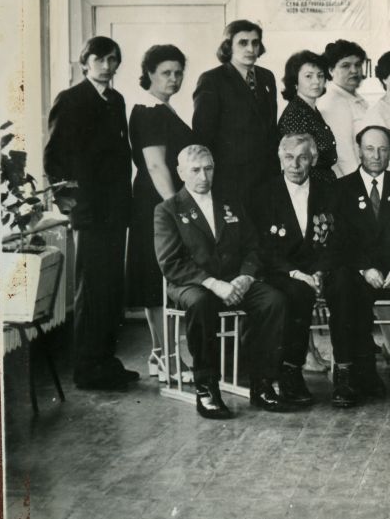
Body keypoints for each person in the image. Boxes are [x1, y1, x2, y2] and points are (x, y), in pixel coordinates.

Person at [154, 145, 304, 418]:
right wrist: (213, 283)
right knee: (201, 304)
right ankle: (207, 387)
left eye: (208, 169)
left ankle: (262, 385)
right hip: (192, 284)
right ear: (180, 173)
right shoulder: (168, 210)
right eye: (195, 170)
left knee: (274, 301)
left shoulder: (230, 202)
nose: (203, 177)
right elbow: (171, 263)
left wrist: (246, 276)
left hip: (235, 280)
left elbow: (253, 247)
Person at [44, 36, 136, 391]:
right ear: (85, 63)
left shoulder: (116, 100)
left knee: (111, 290)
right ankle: (86, 369)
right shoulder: (69, 100)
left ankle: (106, 361)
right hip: (89, 213)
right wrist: (71, 205)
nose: (107, 66)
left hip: (115, 212)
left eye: (113, 60)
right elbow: (53, 159)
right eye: (100, 59)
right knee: (92, 289)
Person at [249, 134, 343, 409]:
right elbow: (261, 247)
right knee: (297, 293)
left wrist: (320, 271)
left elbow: (337, 240)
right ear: (280, 159)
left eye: (302, 158)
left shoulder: (329, 192)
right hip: (280, 271)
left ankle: (347, 372)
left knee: (343, 286)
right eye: (289, 157)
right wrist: (295, 273)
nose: (295, 164)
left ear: (313, 159)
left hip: (317, 269)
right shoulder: (263, 195)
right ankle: (290, 370)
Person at [335, 125, 390, 394]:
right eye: (370, 149)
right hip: (361, 271)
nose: (376, 155)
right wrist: (364, 268)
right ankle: (364, 371)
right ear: (359, 151)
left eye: (383, 149)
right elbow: (340, 239)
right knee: (350, 296)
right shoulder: (341, 189)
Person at [125, 44, 196, 382]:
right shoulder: (150, 110)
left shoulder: (162, 109)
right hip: (157, 203)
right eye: (166, 72)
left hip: (158, 201)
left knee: (160, 277)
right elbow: (155, 165)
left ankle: (159, 353)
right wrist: (176, 210)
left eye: (178, 72)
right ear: (149, 73)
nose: (174, 78)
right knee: (158, 278)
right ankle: (168, 358)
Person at [192, 20, 278, 207]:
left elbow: (271, 129)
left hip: (265, 179)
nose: (250, 49)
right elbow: (203, 135)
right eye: (243, 43)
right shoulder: (212, 80)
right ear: (228, 46)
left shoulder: (267, 77)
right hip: (230, 181)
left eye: (255, 43)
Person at [277, 50, 338, 183]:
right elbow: (297, 166)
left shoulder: (310, 109)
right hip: (311, 187)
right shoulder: (296, 114)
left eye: (320, 76)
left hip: (323, 184)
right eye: (308, 76)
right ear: (295, 81)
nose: (316, 81)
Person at [318, 39, 369, 177]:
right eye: (345, 66)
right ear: (331, 70)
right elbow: (343, 155)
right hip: (348, 182)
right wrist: (360, 185)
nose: (354, 70)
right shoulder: (333, 102)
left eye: (358, 65)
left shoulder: (356, 99)